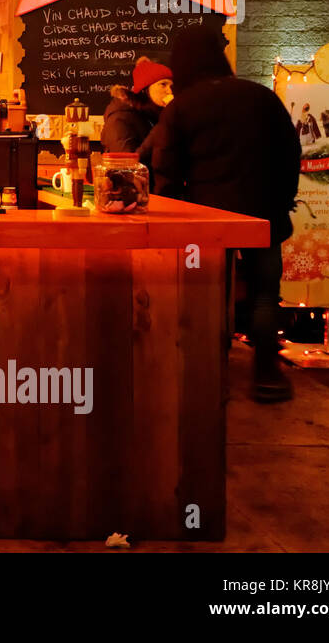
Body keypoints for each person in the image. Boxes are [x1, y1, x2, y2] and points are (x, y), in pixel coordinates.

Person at [149, 25, 301, 403]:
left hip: (206, 221)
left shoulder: (181, 108)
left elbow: (164, 170)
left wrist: (172, 220)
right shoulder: (261, 96)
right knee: (265, 294)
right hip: (263, 213)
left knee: (208, 295)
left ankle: (207, 376)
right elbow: (290, 152)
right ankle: (266, 373)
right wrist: (282, 201)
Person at [101, 56, 173, 162]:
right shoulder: (120, 118)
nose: (170, 91)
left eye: (172, 86)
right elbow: (127, 164)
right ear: (145, 90)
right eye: (163, 84)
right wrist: (163, 127)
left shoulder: (155, 114)